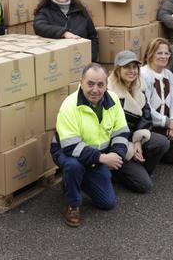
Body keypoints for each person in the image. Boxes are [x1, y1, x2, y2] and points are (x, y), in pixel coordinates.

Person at [52, 63, 130, 227]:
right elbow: (70, 146)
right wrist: (102, 158)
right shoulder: (69, 105)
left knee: (107, 203)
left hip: (96, 156)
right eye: (90, 84)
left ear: (106, 85)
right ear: (81, 82)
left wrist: (116, 155)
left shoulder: (113, 99)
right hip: (68, 152)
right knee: (74, 166)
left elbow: (121, 132)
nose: (95, 89)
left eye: (100, 84)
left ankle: (73, 181)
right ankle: (72, 203)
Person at [106, 51, 169, 193]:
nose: (132, 71)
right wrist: (130, 148)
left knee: (162, 142)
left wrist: (138, 140)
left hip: (132, 138)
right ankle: (116, 173)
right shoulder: (110, 93)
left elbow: (146, 116)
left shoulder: (138, 87)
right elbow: (109, 131)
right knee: (145, 186)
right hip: (116, 145)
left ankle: (139, 171)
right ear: (118, 70)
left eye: (135, 67)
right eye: (127, 67)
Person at [140, 37, 173, 164]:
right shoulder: (144, 74)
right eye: (159, 53)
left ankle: (158, 150)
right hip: (149, 123)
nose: (164, 56)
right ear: (150, 54)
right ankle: (148, 151)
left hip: (163, 122)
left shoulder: (168, 74)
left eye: (167, 53)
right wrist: (168, 123)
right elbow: (146, 107)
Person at [33, 0, 99, 62]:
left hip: (81, 61)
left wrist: (91, 58)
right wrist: (64, 33)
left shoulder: (80, 9)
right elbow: (39, 26)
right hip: (59, 63)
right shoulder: (45, 11)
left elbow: (93, 36)